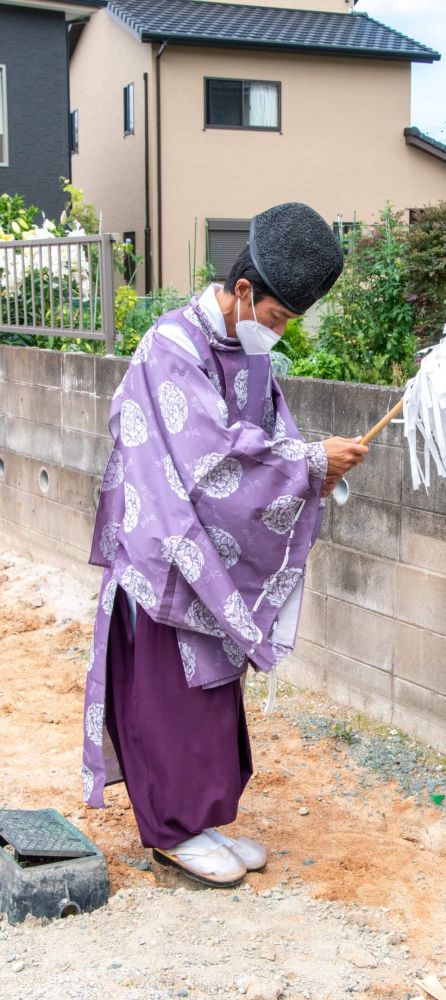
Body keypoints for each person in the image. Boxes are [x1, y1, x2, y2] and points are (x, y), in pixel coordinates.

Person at [82, 202, 368, 887]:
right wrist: (306, 465)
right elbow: (209, 462)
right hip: (164, 553)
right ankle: (169, 832)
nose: (279, 331)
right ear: (244, 291)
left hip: (213, 553)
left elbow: (272, 439)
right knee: (166, 696)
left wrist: (317, 466)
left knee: (208, 692)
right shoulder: (170, 347)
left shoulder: (248, 352)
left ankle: (198, 819)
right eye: (275, 317)